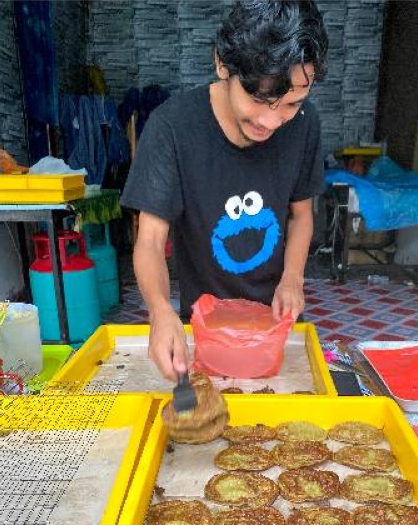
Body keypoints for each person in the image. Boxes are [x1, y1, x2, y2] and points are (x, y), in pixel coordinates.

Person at [122, 0, 329, 382]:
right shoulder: (173, 127)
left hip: (276, 321)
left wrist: (293, 278)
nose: (272, 120)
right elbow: (150, 240)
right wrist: (159, 310)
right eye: (258, 99)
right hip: (205, 324)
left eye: (291, 104)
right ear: (222, 64)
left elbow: (301, 215)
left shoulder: (304, 124)